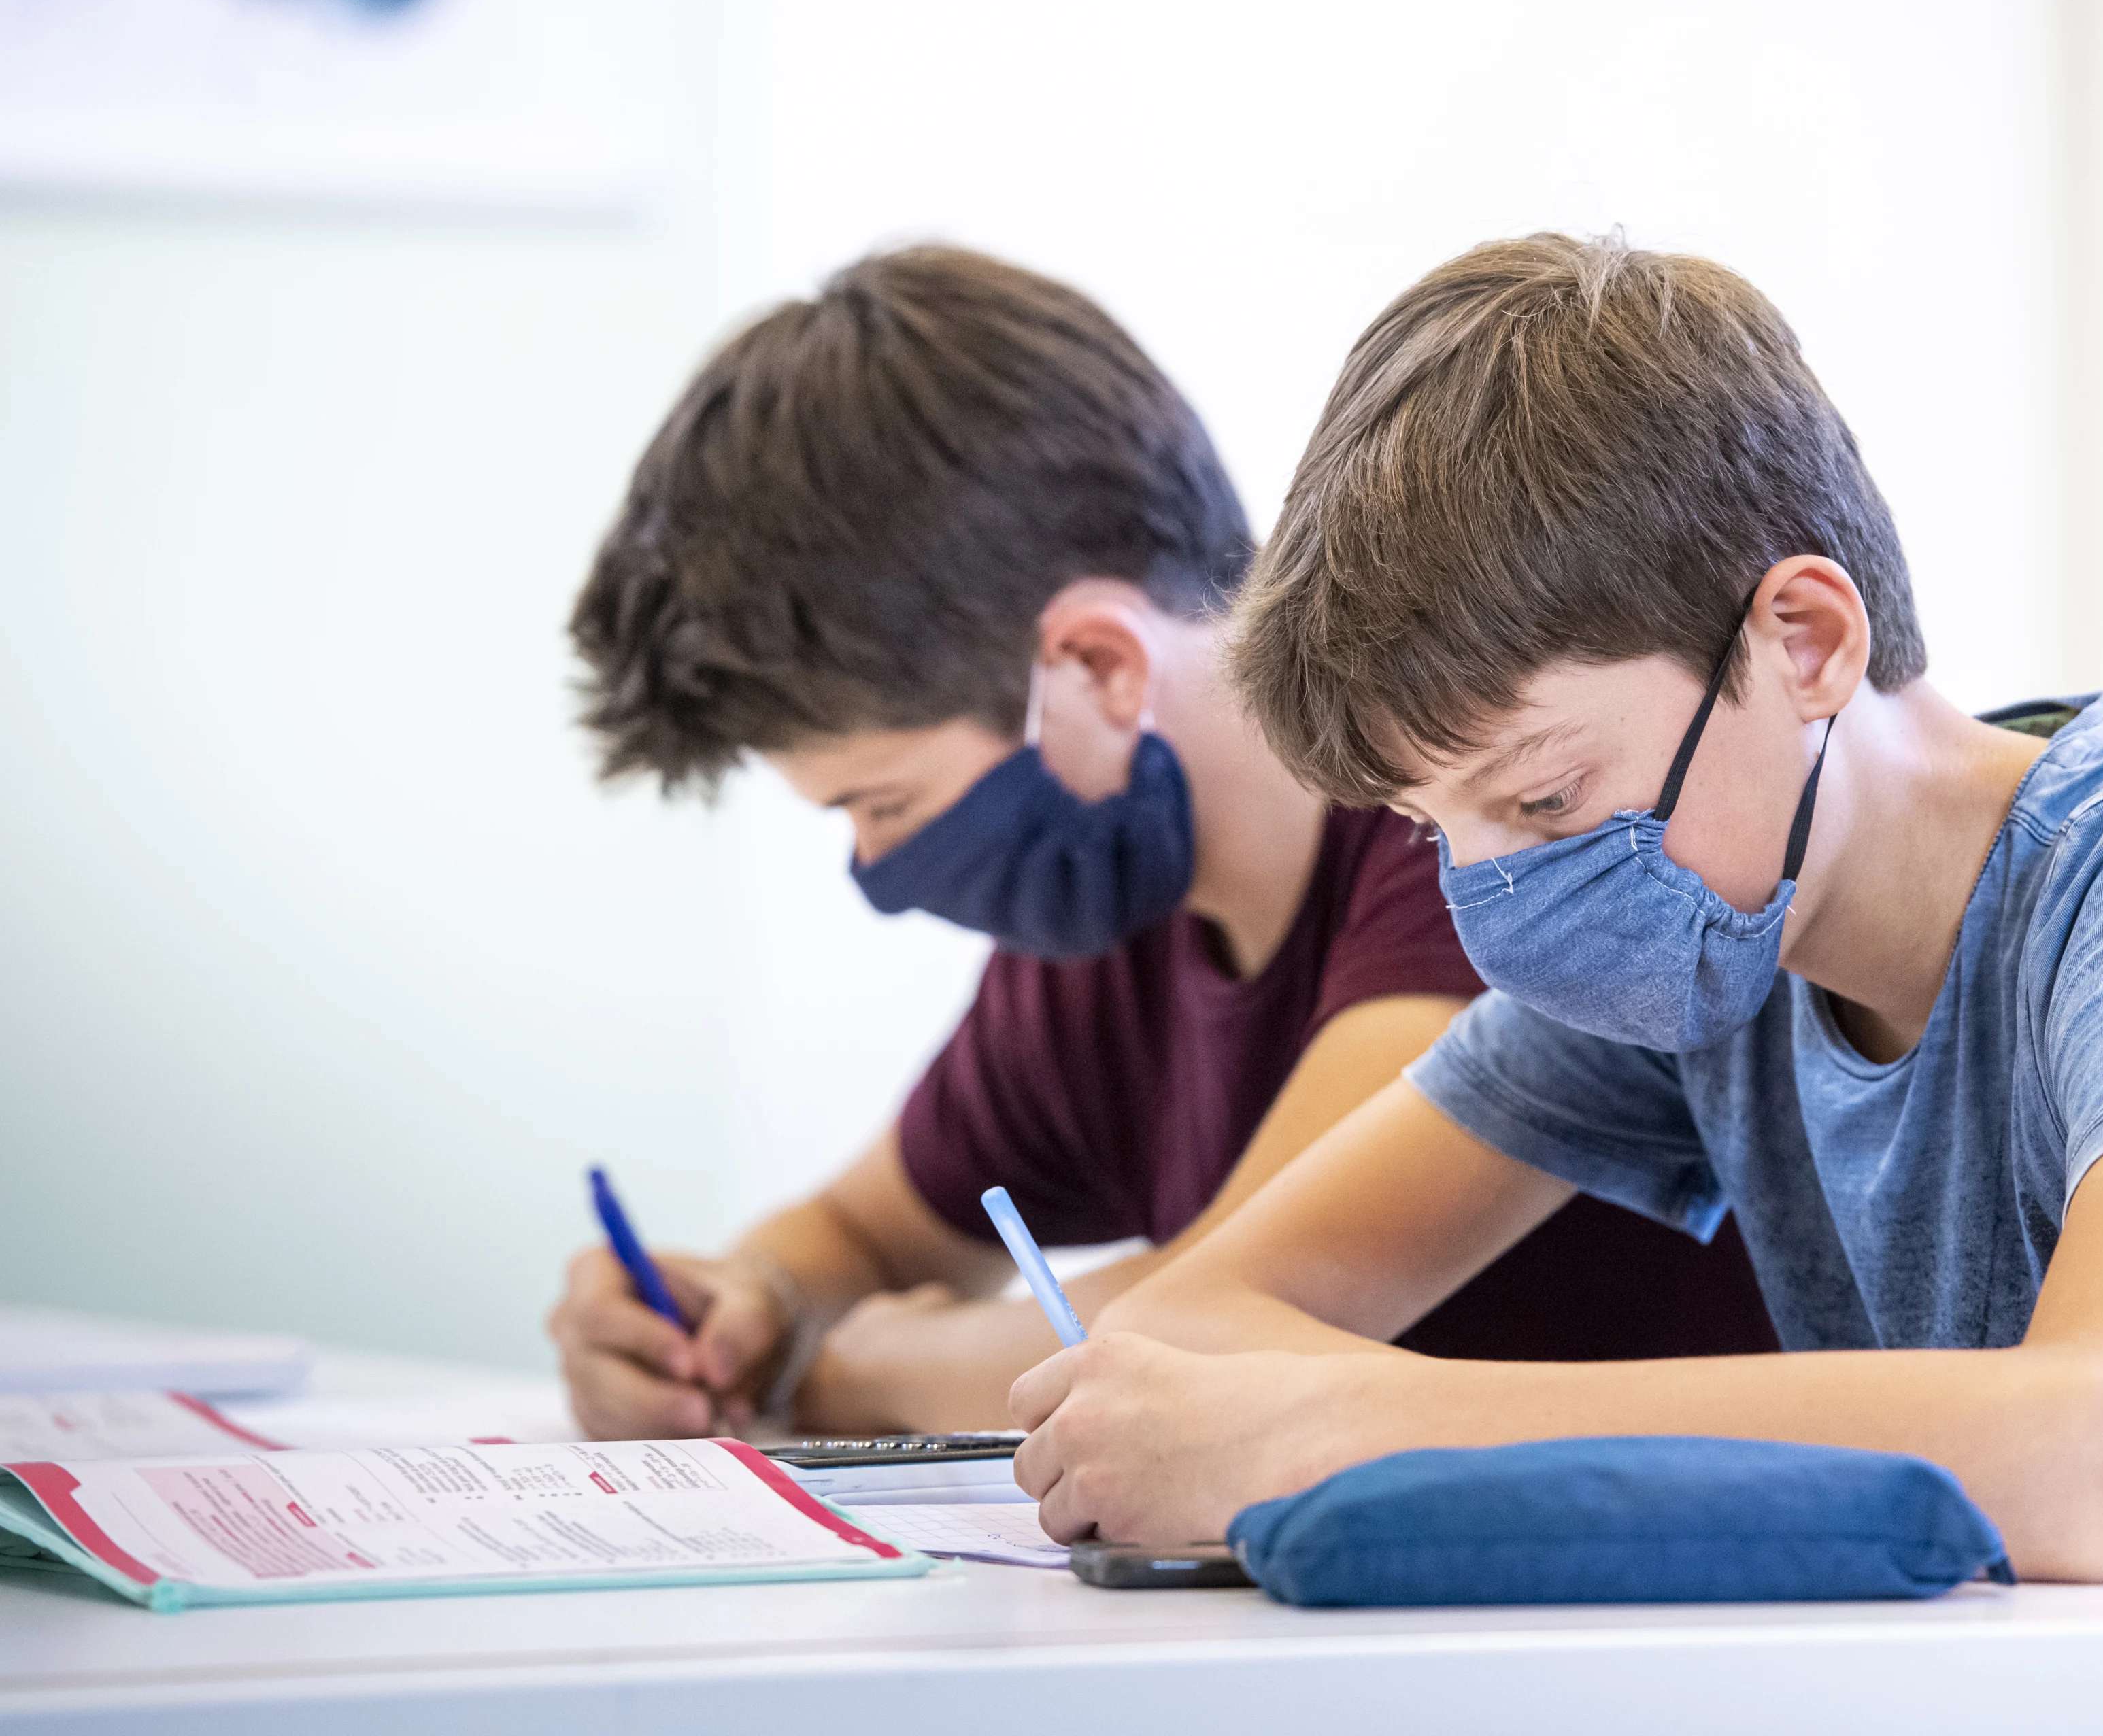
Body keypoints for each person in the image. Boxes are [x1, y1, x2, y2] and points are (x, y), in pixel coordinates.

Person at [1007, 234, 2103, 1736]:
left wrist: (1350, 1424)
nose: (1500, 891)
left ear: (1805, 639)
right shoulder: (1717, 935)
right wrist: (1241, 1403)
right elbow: (1210, 1320)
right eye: (1442, 834)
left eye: (1545, 799)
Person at [548, 244, 1774, 1442]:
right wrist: (747, 1309)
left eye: (887, 804)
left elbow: (1210, 1329)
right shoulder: (1111, 929)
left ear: (1095, 665)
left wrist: (864, 1365)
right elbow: (859, 1241)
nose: (877, 868)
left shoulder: (1474, 841)